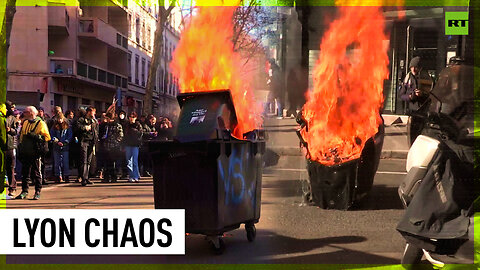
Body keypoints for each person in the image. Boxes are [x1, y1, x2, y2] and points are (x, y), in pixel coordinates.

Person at [15, 106, 51, 200]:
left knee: (37, 173)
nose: (24, 113)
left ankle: (37, 192)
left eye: (26, 112)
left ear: (31, 113)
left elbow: (47, 137)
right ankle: (24, 191)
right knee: (25, 173)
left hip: (35, 152)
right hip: (26, 152)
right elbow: (22, 136)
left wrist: (35, 136)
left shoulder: (41, 123)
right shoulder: (25, 122)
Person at [399, 56, 434, 145]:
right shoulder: (408, 78)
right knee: (412, 139)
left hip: (423, 114)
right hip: (413, 114)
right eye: (412, 67)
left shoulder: (426, 78)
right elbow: (401, 95)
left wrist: (423, 94)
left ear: (420, 68)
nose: (414, 69)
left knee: (422, 140)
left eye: (416, 67)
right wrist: (410, 97)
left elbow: (432, 95)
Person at [76, 106, 98, 186]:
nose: (93, 114)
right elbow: (77, 128)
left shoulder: (94, 121)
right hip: (84, 141)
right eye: (92, 112)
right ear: (88, 112)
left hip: (92, 142)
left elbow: (96, 130)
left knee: (89, 161)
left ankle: (87, 177)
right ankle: (83, 178)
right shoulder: (81, 120)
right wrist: (85, 128)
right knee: (84, 160)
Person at [98, 112, 123, 183]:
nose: (106, 119)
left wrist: (116, 141)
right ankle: (106, 177)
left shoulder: (117, 125)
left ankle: (113, 177)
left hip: (113, 147)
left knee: (112, 163)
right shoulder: (106, 126)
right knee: (106, 163)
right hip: (106, 146)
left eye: (107, 118)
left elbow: (120, 135)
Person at [49, 112, 73, 183]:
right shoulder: (54, 127)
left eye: (61, 119)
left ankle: (66, 176)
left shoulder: (67, 126)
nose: (60, 120)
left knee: (65, 162)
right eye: (58, 119)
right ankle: (58, 176)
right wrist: (56, 141)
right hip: (56, 146)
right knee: (57, 163)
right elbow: (51, 135)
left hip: (65, 146)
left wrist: (65, 142)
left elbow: (70, 135)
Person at [124, 112, 143, 182]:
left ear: (135, 118)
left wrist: (134, 131)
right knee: (129, 161)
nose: (131, 118)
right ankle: (131, 176)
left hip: (135, 145)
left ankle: (136, 176)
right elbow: (124, 135)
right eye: (130, 117)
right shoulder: (127, 125)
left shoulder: (138, 125)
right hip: (128, 144)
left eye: (133, 117)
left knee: (134, 161)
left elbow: (140, 134)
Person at [5, 101, 19, 197]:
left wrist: (10, 130)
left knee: (10, 168)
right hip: (2, 145)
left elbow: (16, 131)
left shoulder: (13, 119)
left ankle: (12, 187)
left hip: (9, 145)